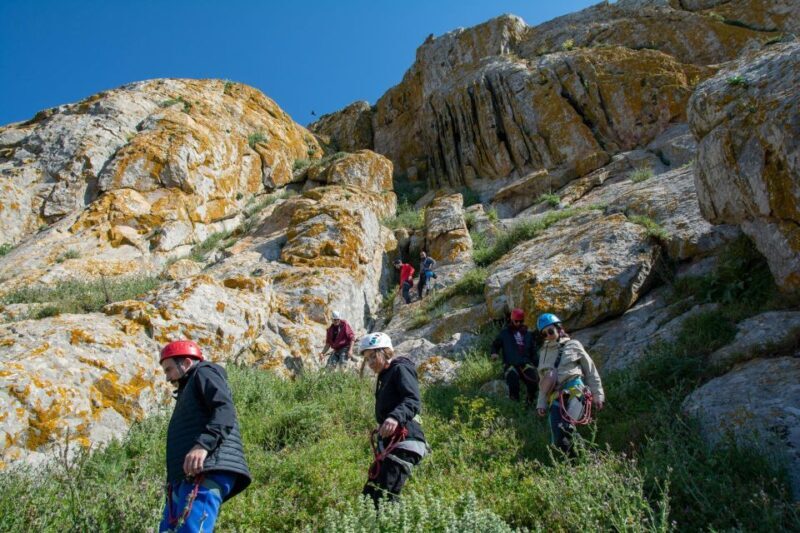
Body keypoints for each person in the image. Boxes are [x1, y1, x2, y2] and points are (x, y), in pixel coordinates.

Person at [158, 340, 251, 533]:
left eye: (168, 370)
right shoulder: (188, 387)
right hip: (186, 476)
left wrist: (203, 445)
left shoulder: (203, 372)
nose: (167, 378)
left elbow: (224, 410)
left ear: (186, 363)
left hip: (208, 470)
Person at [359, 332, 428, 505]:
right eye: (367, 359)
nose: (370, 363)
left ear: (384, 352)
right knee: (369, 497)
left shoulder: (400, 368)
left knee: (383, 497)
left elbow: (412, 400)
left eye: (373, 357)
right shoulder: (385, 377)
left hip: (405, 440)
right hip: (392, 444)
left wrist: (394, 418)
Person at [535, 313, 605, 456]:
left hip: (575, 389)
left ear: (559, 328)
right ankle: (571, 465)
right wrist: (541, 403)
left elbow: (590, 370)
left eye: (550, 331)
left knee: (567, 428)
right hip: (555, 395)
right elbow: (543, 382)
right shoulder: (543, 353)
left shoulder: (573, 345)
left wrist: (598, 394)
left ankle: (584, 458)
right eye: (544, 334)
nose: (548, 336)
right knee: (558, 435)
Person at [490, 308, 539, 405]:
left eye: (521, 321)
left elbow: (533, 352)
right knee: (513, 383)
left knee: (534, 381)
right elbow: (495, 344)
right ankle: (515, 405)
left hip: (525, 364)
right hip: (510, 364)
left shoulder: (528, 335)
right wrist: (494, 353)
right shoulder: (504, 333)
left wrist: (539, 365)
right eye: (516, 321)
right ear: (511, 320)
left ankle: (530, 402)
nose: (518, 323)